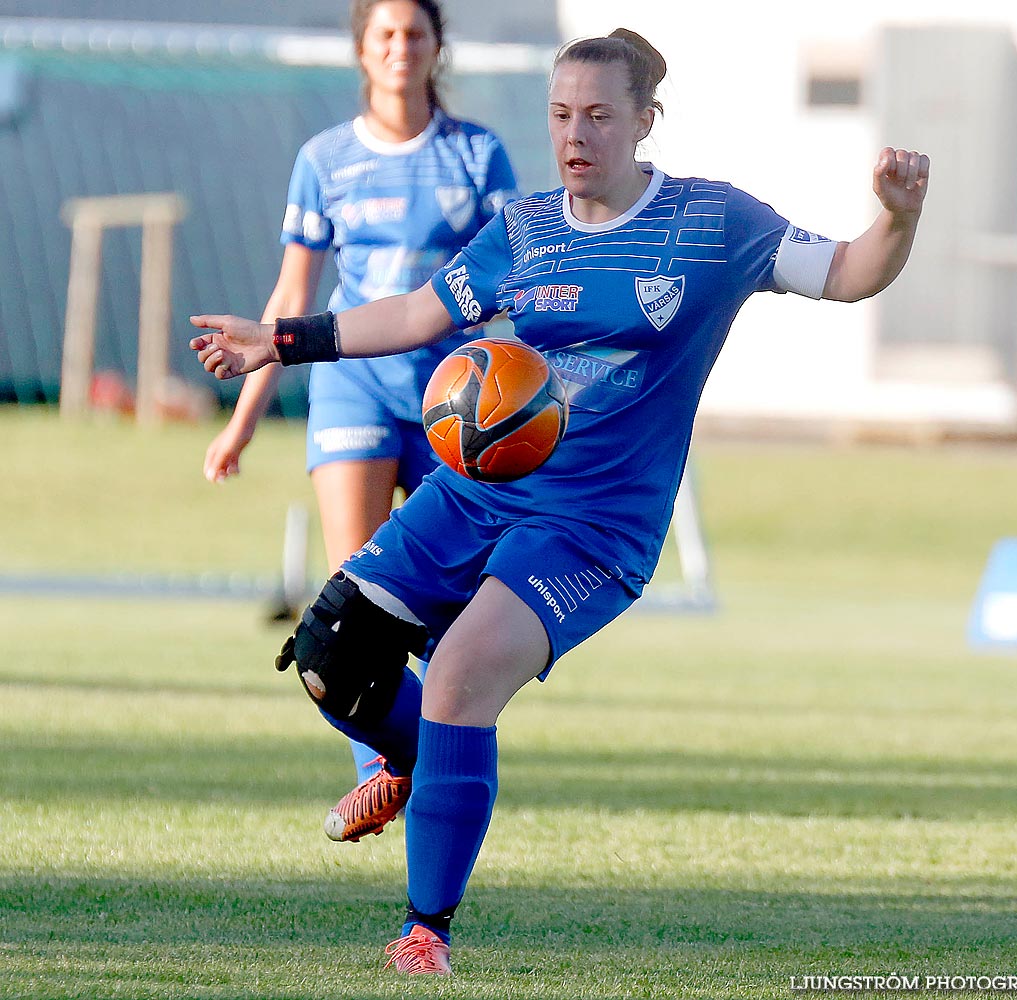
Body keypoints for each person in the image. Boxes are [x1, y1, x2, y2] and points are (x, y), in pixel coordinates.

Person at [191, 26, 930, 976]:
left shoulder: (713, 226)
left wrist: (896, 219)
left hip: (592, 528)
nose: (573, 136)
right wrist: (277, 340)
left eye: (598, 116)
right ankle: (420, 760)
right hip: (479, 492)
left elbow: (845, 273)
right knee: (332, 654)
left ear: (643, 124)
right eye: (559, 115)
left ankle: (426, 934)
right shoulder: (528, 227)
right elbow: (418, 313)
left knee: (458, 676)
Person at [200, 0, 518, 843]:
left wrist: (521, 389)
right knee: (354, 595)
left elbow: (507, 289)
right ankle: (381, 768)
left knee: (448, 606)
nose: (400, 48)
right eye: (385, 34)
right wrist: (240, 424)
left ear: (436, 47)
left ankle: (438, 751)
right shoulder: (323, 160)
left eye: (415, 34)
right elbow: (292, 300)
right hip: (350, 388)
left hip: (454, 402)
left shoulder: (477, 154)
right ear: (362, 50)